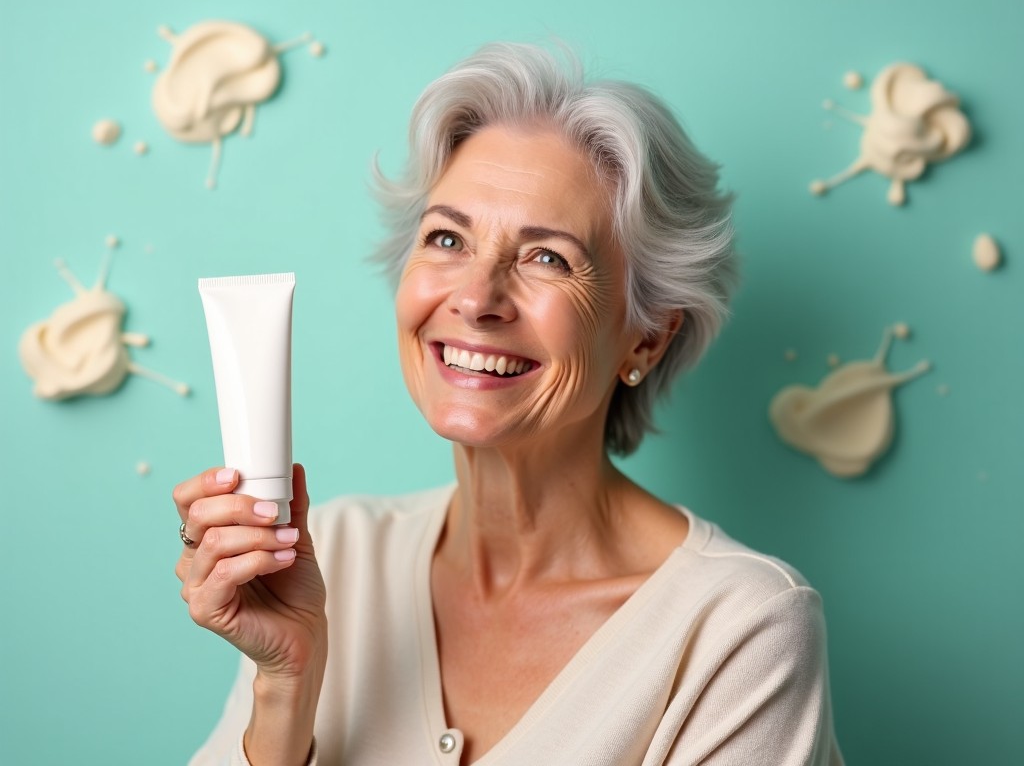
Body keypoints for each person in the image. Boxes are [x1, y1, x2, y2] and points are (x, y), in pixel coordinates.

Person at [174, 42, 844, 765]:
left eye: (548, 257)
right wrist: (285, 685)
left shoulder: (742, 631)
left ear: (646, 340)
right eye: (447, 238)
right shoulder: (332, 555)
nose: (474, 297)